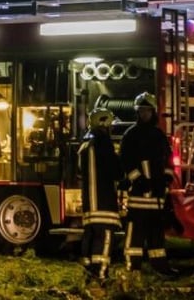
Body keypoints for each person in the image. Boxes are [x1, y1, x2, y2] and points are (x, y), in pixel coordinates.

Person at [118, 92, 178, 274]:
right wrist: (138, 180)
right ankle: (133, 267)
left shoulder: (158, 135)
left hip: (157, 196)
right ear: (137, 112)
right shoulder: (131, 135)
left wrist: (167, 178)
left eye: (147, 111)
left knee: (156, 236)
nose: (144, 114)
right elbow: (126, 162)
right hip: (138, 196)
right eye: (141, 111)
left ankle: (160, 266)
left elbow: (167, 159)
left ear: (153, 112)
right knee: (135, 235)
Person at [77, 106, 122, 281]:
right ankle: (100, 275)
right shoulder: (104, 143)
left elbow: (80, 173)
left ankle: (88, 274)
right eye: (110, 125)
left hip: (89, 202)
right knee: (104, 238)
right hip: (104, 201)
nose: (111, 129)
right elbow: (116, 172)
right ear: (104, 124)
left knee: (90, 236)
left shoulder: (84, 146)